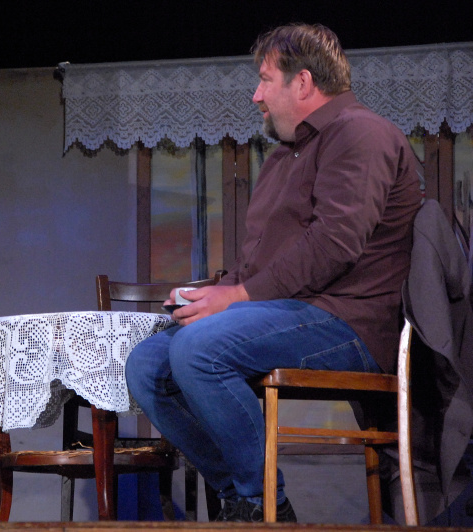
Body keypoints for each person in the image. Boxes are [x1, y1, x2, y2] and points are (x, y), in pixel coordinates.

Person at [125, 23, 423, 523]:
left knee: (199, 349)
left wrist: (238, 296)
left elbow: (335, 243)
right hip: (291, 311)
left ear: (302, 82)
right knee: (146, 366)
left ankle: (260, 504)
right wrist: (214, 292)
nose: (256, 95)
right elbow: (263, 261)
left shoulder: (360, 133)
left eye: (265, 80)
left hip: (349, 320)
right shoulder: (287, 155)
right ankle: (247, 498)